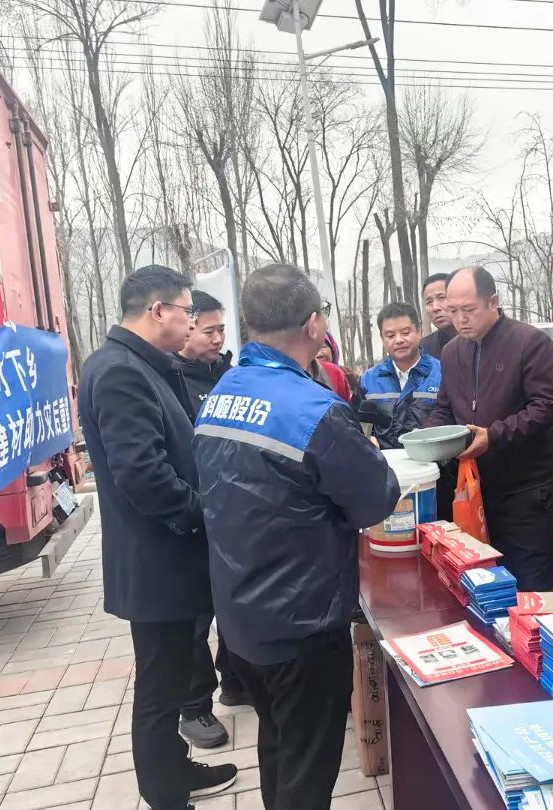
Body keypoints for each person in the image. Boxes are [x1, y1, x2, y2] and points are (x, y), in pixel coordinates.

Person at [194, 263, 400, 810]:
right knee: (307, 770)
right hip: (302, 625)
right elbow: (375, 499)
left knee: (279, 745)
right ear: (313, 324)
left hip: (241, 618)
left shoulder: (222, 392)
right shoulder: (314, 409)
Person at [78, 265, 237, 810]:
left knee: (169, 678)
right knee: (159, 686)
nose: (192, 322)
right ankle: (165, 794)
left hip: (165, 557)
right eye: (188, 311)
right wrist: (203, 515)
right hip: (158, 560)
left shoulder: (138, 365)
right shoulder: (121, 373)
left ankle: (174, 770)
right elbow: (142, 475)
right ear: (157, 310)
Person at [426, 265, 553, 591]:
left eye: (469, 310)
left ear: (493, 302)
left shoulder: (529, 342)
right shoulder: (452, 351)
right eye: (453, 311)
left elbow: (546, 407)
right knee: (484, 583)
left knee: (531, 585)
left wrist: (494, 435)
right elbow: (445, 408)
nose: (461, 320)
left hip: (524, 491)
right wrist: (426, 439)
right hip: (473, 490)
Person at [173, 290, 249, 737]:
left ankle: (236, 682)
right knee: (196, 615)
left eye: (222, 329)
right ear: (187, 328)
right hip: (195, 512)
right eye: (209, 331)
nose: (219, 339)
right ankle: (194, 707)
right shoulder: (171, 380)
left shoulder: (228, 374)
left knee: (237, 599)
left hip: (235, 509)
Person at [356, 302, 442, 449]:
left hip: (433, 460)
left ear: (419, 331)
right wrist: (366, 438)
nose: (399, 340)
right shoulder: (368, 380)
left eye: (405, 333)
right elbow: (356, 425)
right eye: (390, 335)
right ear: (382, 339)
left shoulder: (441, 373)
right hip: (385, 462)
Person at [419, 273, 457, 359]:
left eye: (441, 297)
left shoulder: (480, 339)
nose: (435, 308)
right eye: (429, 302)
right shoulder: (423, 350)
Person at [313, 332, 351, 401]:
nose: (319, 354)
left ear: (333, 350)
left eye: (323, 346)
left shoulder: (348, 375)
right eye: (312, 348)